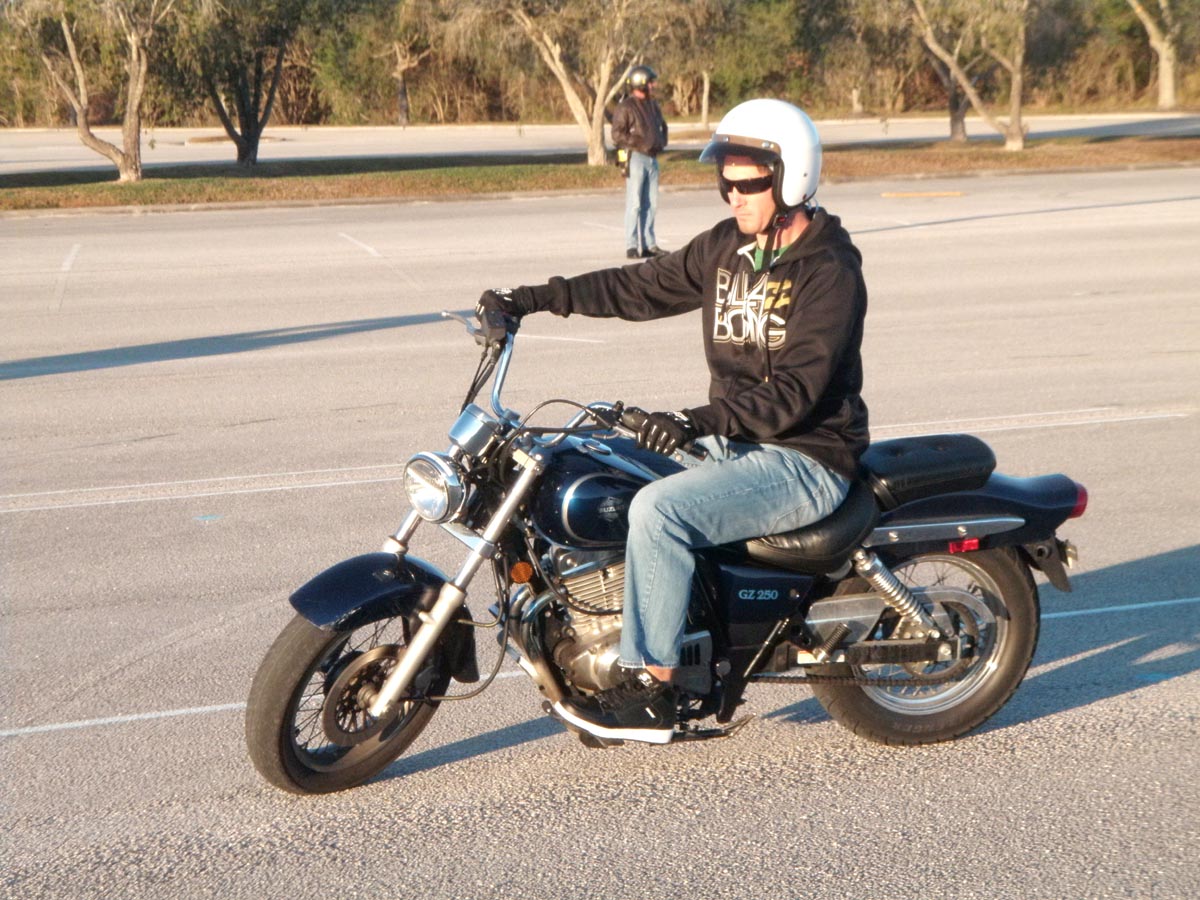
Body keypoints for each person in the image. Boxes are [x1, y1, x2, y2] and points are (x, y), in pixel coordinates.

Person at [478, 99, 869, 744]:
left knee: (659, 512)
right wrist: (538, 299)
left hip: (804, 457)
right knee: (598, 462)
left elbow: (795, 394)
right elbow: (639, 287)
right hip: (733, 442)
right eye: (726, 183)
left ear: (791, 179)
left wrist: (694, 421)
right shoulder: (728, 247)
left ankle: (652, 683)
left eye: (748, 185)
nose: (733, 196)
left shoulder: (829, 271)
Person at [611, 65, 669, 260]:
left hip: (652, 159)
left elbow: (662, 126)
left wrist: (661, 141)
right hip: (635, 157)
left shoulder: (653, 105)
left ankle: (649, 244)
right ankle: (631, 245)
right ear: (641, 83)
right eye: (650, 82)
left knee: (651, 204)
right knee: (635, 203)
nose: (653, 85)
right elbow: (617, 134)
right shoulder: (626, 106)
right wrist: (638, 142)